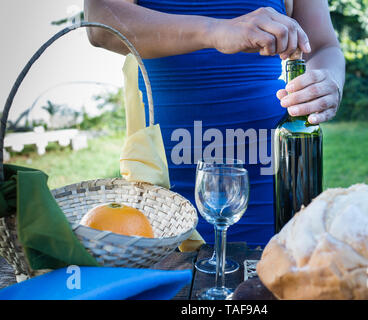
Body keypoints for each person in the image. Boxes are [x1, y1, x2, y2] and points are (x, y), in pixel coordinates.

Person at [84, 0, 345, 246]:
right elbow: (101, 21)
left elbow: (321, 46)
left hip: (270, 181)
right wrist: (216, 30)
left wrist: (329, 80)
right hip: (160, 182)